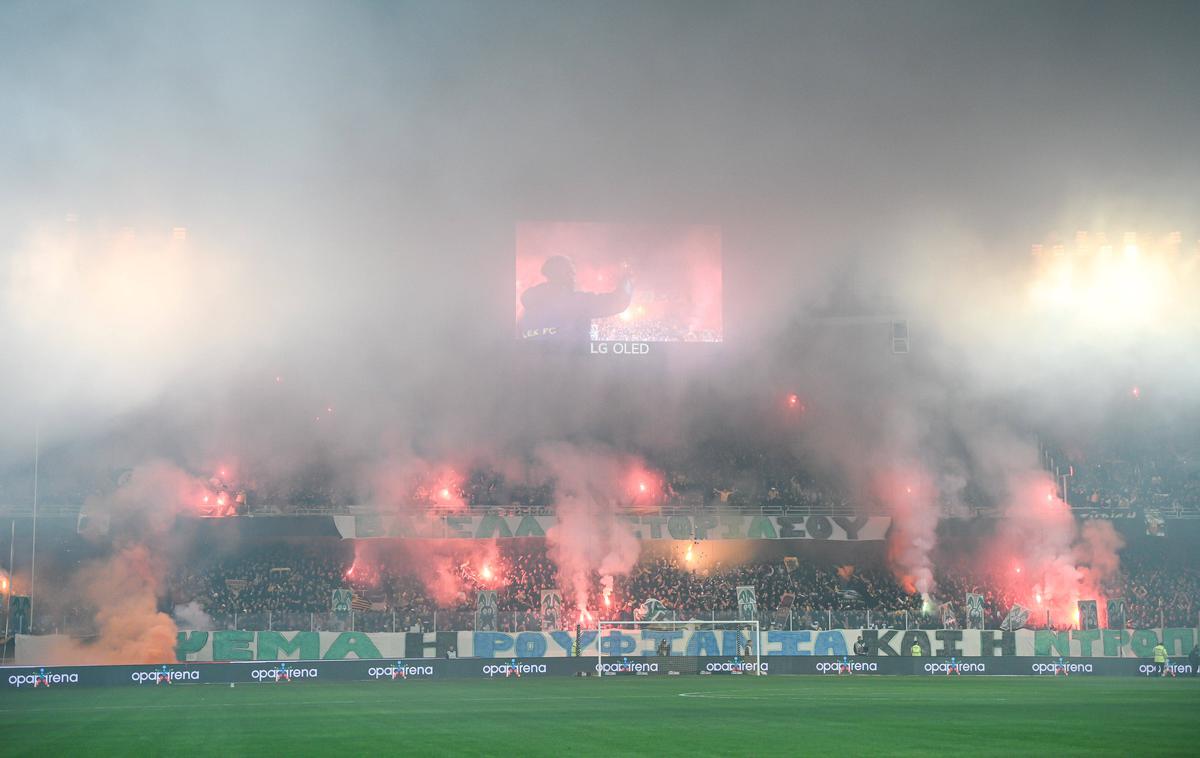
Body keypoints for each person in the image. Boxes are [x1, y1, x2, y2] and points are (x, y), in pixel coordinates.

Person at [518, 256, 633, 349]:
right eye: (571, 273)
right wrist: (627, 280)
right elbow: (617, 302)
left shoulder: (529, 304)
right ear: (562, 274)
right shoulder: (573, 302)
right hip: (572, 369)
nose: (574, 277)